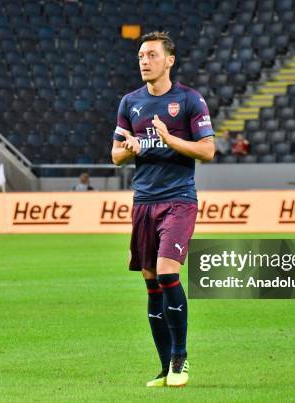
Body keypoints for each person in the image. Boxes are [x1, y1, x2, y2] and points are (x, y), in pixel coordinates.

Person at [111, 31, 214, 387]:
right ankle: (164, 367)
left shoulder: (189, 100)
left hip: (178, 199)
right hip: (143, 202)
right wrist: (132, 149)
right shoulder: (130, 102)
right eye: (141, 55)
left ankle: (180, 360)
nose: (144, 60)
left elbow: (208, 150)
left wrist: (170, 139)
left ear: (169, 60)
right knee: (151, 282)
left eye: (152, 55)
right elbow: (115, 155)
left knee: (168, 272)